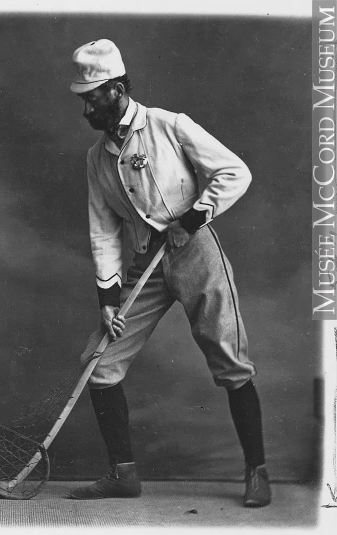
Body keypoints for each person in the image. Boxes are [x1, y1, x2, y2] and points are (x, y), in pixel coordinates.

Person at [68, 40, 271, 507]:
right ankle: (122, 475)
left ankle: (257, 471)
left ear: (117, 90)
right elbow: (103, 231)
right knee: (100, 363)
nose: (86, 109)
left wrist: (192, 219)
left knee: (230, 359)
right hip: (147, 264)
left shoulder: (169, 125)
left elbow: (234, 172)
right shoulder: (97, 157)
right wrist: (108, 299)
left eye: (92, 98)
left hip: (196, 252)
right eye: (83, 100)